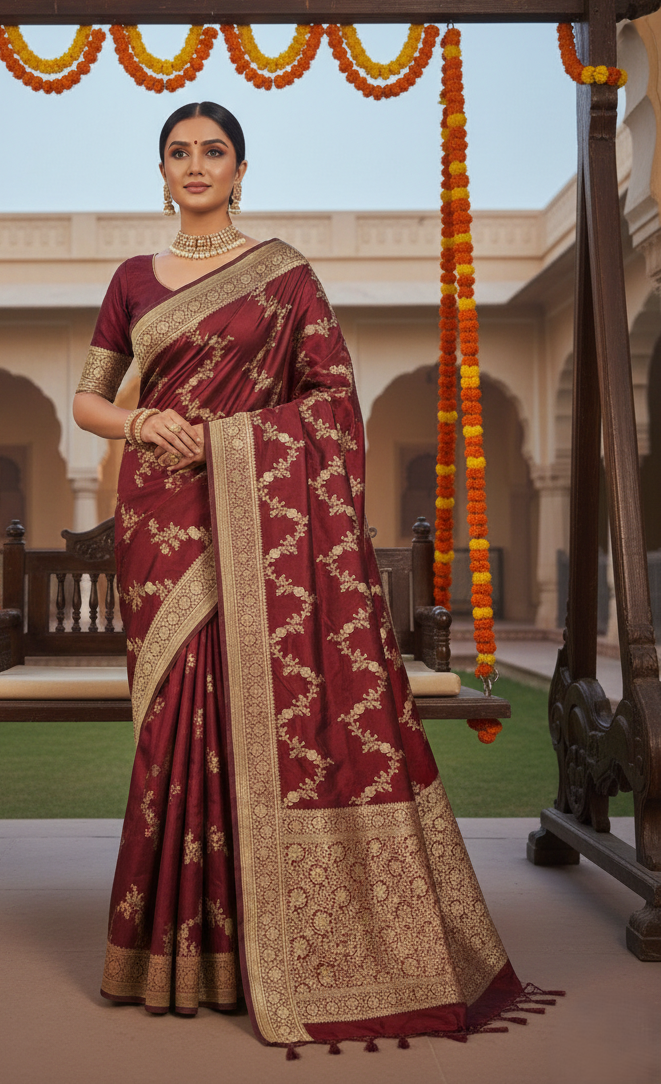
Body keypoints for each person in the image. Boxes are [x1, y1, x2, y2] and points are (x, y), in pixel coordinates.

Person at [72, 101, 528, 1052]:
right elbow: (86, 399)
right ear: (161, 171)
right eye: (178, 152)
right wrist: (140, 423)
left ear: (241, 169)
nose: (196, 165)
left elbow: (331, 400)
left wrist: (231, 440)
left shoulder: (286, 278)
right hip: (159, 522)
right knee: (176, 725)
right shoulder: (128, 280)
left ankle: (265, 948)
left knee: (255, 713)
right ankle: (173, 949)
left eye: (214, 151)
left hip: (253, 521)